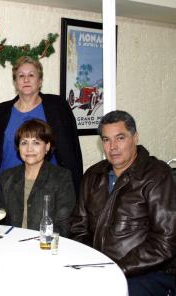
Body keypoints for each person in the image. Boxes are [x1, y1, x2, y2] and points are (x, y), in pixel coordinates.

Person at [70, 110, 176, 296]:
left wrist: (116, 269)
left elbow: (165, 241)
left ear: (135, 137)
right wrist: (91, 263)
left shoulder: (156, 175)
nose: (113, 147)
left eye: (120, 138)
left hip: (147, 272)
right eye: (106, 140)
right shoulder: (93, 176)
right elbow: (78, 227)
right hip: (99, 267)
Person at [0, 56, 83, 211]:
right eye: (21, 76)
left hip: (50, 191)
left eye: (31, 75)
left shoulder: (58, 107)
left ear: (40, 81)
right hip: (8, 192)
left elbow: (72, 150)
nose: (26, 80)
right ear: (15, 82)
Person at [0, 120, 75, 237]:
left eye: (36, 143)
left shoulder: (61, 177)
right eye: (24, 143)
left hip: (45, 247)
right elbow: (0, 220)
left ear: (47, 146)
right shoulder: (7, 177)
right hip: (12, 246)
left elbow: (64, 226)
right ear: (18, 147)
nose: (29, 149)